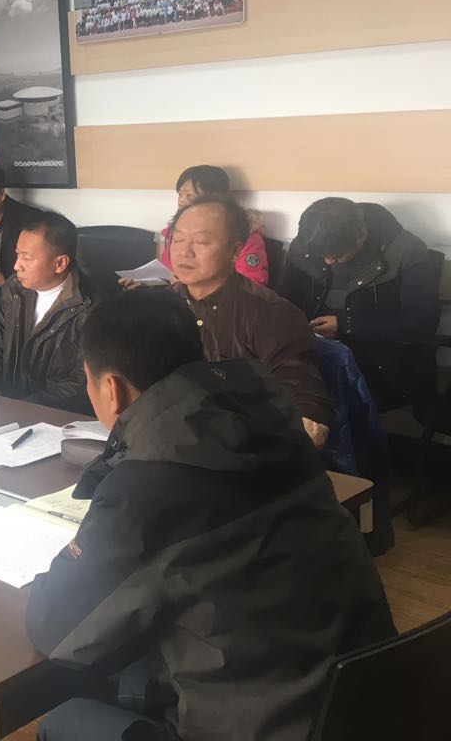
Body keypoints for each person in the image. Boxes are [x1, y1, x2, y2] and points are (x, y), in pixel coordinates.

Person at [26, 289, 395, 741]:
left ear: (111, 389)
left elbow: (54, 626)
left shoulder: (149, 485)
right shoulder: (275, 423)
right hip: (361, 697)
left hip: (266, 723)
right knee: (139, 668)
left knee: (63, 722)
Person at [169, 197, 334, 447]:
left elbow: (306, 407)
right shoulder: (163, 305)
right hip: (171, 435)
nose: (184, 252)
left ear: (235, 251)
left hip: (240, 444)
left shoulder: (271, 314)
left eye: (201, 242)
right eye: (178, 239)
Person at [278, 197, 440, 410]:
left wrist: (347, 325)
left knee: (329, 406)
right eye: (322, 255)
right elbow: (281, 301)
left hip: (380, 361)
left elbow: (422, 322)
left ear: (362, 235)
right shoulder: (307, 244)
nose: (328, 261)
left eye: (337, 255)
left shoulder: (407, 251)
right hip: (316, 352)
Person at [0, 211, 97, 413]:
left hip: (56, 415)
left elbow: (82, 384)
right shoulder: (14, 290)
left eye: (27, 258)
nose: (16, 266)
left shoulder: (91, 308)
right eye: (17, 254)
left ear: (60, 264)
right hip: (7, 408)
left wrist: (23, 406)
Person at [151, 165, 268, 286]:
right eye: (180, 194)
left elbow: (252, 285)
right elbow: (164, 272)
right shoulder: (173, 232)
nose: (181, 201)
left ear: (215, 197)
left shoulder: (245, 237)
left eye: (189, 195)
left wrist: (189, 287)